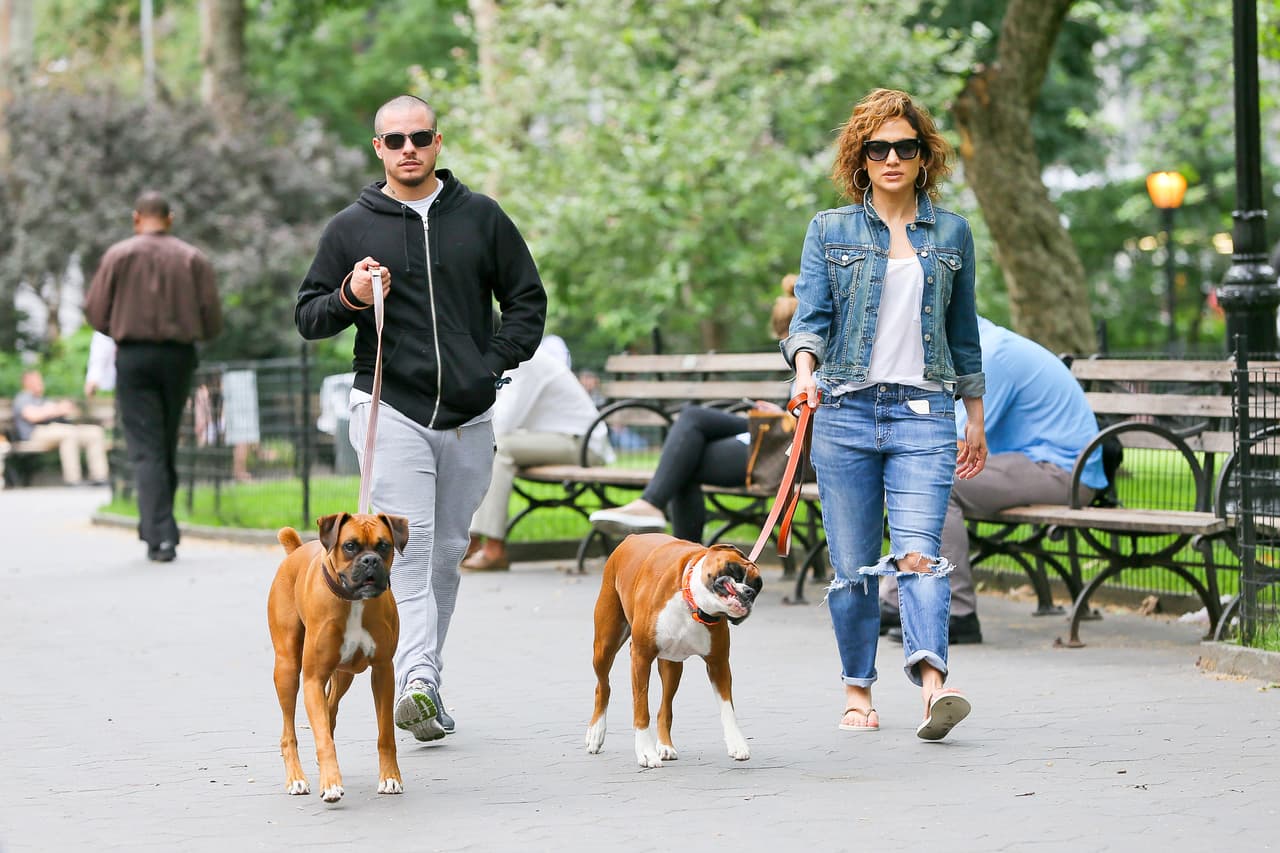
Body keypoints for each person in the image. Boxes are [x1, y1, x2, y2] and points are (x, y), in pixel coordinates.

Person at [294, 94, 546, 743]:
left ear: (438, 142)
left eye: (420, 137)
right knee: (408, 550)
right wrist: (350, 294)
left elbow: (526, 300)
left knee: (446, 555)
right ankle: (418, 683)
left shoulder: (482, 217)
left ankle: (421, 673)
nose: (409, 148)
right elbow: (309, 314)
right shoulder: (352, 226)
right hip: (388, 407)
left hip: (468, 413)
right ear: (377, 148)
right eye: (395, 139)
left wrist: (488, 362)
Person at [782, 88, 987, 740]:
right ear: (861, 158)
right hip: (843, 412)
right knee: (852, 567)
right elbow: (808, 321)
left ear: (925, 157)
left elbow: (964, 336)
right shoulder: (829, 230)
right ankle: (857, 688)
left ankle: (933, 686)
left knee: (920, 555)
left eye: (906, 146)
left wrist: (974, 416)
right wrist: (804, 374)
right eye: (880, 148)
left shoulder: (952, 232)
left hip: (925, 412)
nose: (893, 157)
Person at [879, 317, 1109, 645]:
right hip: (1029, 463)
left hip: (1065, 472)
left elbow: (953, 443)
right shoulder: (976, 348)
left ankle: (956, 612)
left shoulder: (990, 356)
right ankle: (895, 598)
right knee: (915, 474)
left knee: (934, 479)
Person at [588, 276, 798, 543]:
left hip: (788, 449)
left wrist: (783, 416)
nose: (784, 345)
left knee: (686, 457)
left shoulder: (818, 361)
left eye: (786, 336)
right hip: (776, 434)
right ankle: (656, 514)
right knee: (691, 420)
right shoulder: (801, 362)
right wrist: (779, 412)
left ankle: (676, 546)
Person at [84, 191, 223, 563]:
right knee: (164, 442)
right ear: (170, 218)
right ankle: (159, 527)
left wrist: (120, 327)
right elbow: (212, 320)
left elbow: (95, 312)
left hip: (133, 356)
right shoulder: (193, 258)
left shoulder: (118, 256)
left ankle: (159, 533)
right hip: (178, 355)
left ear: (136, 218)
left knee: (146, 447)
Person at [462, 337, 610, 571]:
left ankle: (491, 548)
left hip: (583, 444)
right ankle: (472, 543)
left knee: (501, 447)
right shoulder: (510, 361)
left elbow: (504, 423)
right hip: (557, 438)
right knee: (493, 444)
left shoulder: (524, 362)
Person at [10, 369, 110, 487]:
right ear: (26, 382)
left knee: (94, 432)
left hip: (57, 430)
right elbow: (33, 416)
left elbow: (69, 413)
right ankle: (73, 479)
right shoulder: (23, 398)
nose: (41, 383)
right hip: (34, 434)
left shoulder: (43, 399)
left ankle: (100, 477)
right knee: (68, 433)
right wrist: (55, 409)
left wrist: (65, 408)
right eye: (37, 380)